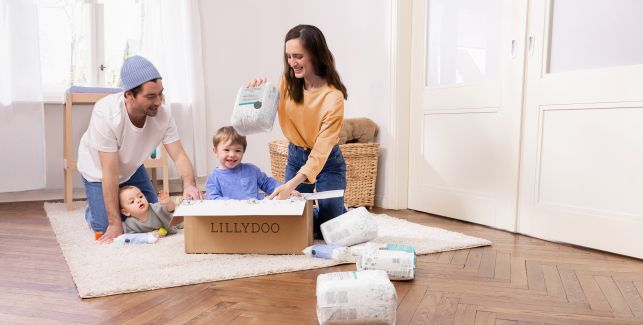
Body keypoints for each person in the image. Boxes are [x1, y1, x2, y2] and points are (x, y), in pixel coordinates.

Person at [77, 55, 203, 243]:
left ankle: (110, 205)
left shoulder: (163, 115)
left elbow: (179, 155)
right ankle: (94, 211)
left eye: (160, 93)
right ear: (129, 94)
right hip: (99, 172)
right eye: (151, 96)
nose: (159, 101)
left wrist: (189, 184)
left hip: (131, 168)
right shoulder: (106, 114)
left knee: (153, 218)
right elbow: (110, 173)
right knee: (109, 227)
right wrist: (113, 222)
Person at [247, 24, 348, 236]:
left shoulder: (333, 97)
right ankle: (322, 213)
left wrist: (290, 185)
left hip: (327, 161)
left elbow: (321, 151)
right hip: (295, 156)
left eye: (298, 56)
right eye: (288, 56)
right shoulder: (287, 82)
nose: (292, 63)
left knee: (328, 231)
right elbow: (260, 118)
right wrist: (256, 94)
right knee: (293, 224)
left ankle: (338, 212)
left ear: (315, 55)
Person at [205, 126, 281, 200]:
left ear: (243, 152)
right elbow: (213, 198)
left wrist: (285, 189)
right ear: (215, 151)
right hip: (230, 211)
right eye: (226, 150)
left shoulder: (252, 170)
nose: (232, 155)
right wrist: (232, 204)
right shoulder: (214, 177)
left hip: (255, 210)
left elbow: (268, 183)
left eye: (237, 151)